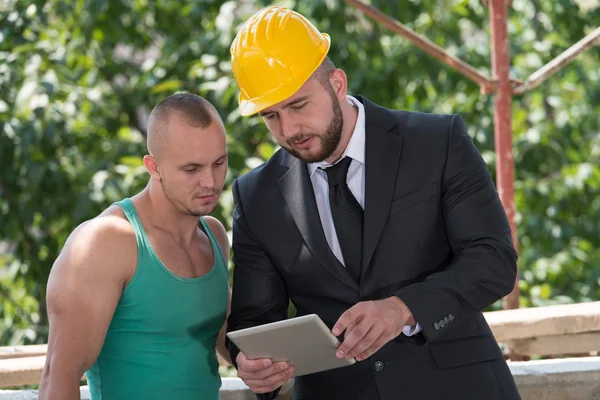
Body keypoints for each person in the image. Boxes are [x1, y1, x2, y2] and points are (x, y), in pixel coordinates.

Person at [225, 6, 521, 400]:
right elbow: (255, 321)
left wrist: (403, 309)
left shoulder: (437, 142)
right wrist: (254, 366)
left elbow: (494, 259)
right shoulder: (256, 195)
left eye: (298, 106)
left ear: (337, 84)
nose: (289, 130)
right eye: (271, 116)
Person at [38, 93, 232, 400]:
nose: (210, 182)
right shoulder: (105, 242)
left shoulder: (214, 235)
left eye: (219, 163)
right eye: (192, 169)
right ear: (153, 166)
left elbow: (225, 341)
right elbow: (57, 379)